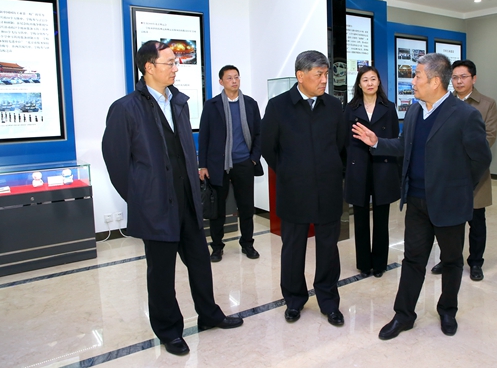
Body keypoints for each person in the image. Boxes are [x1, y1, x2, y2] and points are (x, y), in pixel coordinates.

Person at [102, 41, 242, 356]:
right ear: (149, 67)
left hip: (187, 200)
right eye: (169, 63)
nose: (176, 68)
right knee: (161, 274)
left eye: (176, 63)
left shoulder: (178, 102)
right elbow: (117, 163)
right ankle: (169, 331)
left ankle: (209, 314)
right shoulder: (125, 108)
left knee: (200, 262)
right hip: (155, 207)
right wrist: (142, 199)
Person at [352, 53, 491, 340]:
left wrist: (460, 189)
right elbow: (405, 145)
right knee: (413, 260)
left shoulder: (465, 115)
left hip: (449, 203)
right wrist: (377, 142)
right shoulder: (415, 111)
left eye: (417, 76)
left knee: (451, 261)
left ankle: (447, 310)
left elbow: (481, 159)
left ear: (436, 81)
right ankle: (404, 315)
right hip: (416, 201)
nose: (412, 81)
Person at [261, 50, 346, 327]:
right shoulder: (278, 106)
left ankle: (329, 302)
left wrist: (330, 169)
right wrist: (289, 171)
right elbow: (268, 147)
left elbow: (341, 145)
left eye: (326, 74)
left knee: (328, 249)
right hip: (294, 190)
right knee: (293, 249)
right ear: (300, 75)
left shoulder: (333, 106)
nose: (324, 80)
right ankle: (294, 300)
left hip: (328, 190)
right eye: (318, 74)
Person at [431, 60, 497, 281]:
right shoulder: (442, 103)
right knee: (450, 223)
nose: (458, 81)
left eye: (463, 77)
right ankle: (448, 259)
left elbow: (488, 138)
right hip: (447, 174)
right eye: (455, 77)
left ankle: (476, 262)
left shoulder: (487, 104)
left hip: (474, 174)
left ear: (473, 78)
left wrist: (458, 154)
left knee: (476, 221)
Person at [198, 65, 262, 262]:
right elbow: (204, 136)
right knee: (217, 209)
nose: (234, 81)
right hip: (218, 165)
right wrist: (203, 165)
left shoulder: (250, 104)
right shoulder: (212, 105)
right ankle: (217, 247)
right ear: (221, 82)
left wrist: (253, 158)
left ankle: (247, 244)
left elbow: (259, 133)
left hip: (244, 163)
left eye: (236, 77)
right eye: (229, 78)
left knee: (246, 207)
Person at [344, 66, 400, 278]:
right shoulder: (350, 108)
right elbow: (344, 141)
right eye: (365, 80)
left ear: (378, 82)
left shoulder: (389, 107)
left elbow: (394, 139)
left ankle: (379, 264)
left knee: (381, 218)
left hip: (382, 165)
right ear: (359, 84)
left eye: (373, 79)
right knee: (359, 218)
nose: (369, 83)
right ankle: (364, 263)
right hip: (358, 166)